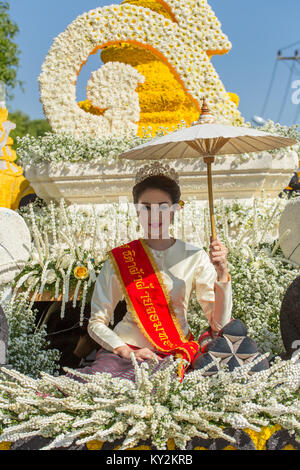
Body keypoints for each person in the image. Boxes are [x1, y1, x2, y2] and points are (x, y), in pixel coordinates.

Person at [69, 161, 268, 382]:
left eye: (163, 206)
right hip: (125, 354)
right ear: (137, 210)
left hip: (175, 352)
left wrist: (222, 273)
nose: (155, 215)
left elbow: (218, 325)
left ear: (175, 209)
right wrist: (124, 350)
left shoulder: (194, 256)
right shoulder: (121, 259)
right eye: (146, 207)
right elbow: (96, 323)